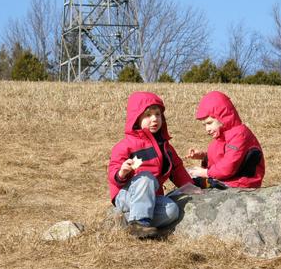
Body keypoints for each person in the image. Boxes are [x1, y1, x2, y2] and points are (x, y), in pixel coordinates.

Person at [108, 91, 193, 238]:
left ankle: (126, 222)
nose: (154, 119)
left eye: (158, 114)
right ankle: (139, 223)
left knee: (172, 210)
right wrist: (121, 173)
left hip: (151, 198)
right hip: (127, 196)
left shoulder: (165, 146)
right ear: (136, 118)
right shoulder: (125, 145)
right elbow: (113, 172)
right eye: (148, 115)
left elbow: (177, 169)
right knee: (146, 178)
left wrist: (190, 186)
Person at [186, 91, 265, 188]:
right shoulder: (223, 136)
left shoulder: (240, 135)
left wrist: (205, 172)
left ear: (222, 116)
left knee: (190, 180)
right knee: (186, 177)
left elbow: (228, 166)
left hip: (241, 183)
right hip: (227, 179)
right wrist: (203, 156)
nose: (207, 129)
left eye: (210, 123)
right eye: (204, 125)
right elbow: (221, 157)